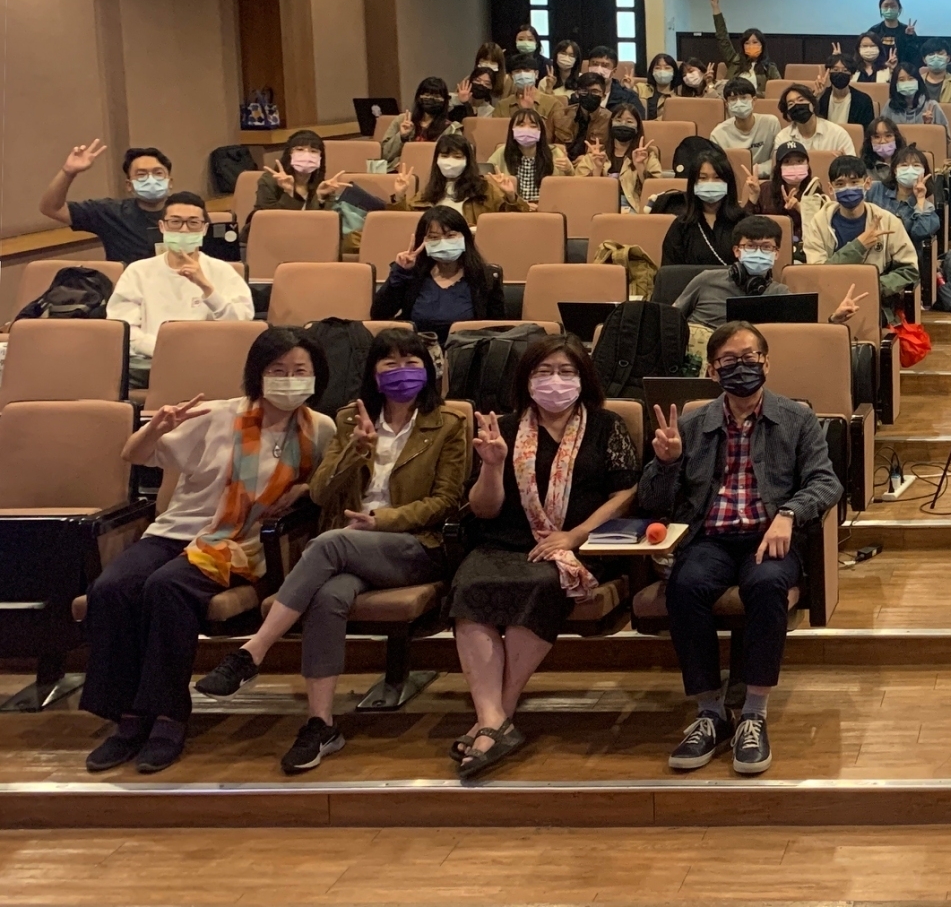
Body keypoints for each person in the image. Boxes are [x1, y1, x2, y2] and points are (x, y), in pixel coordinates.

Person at [189, 328, 464, 771]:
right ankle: (321, 725)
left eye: (411, 362)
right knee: (329, 596)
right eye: (389, 362)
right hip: (349, 550)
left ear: (428, 370)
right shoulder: (350, 420)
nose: (402, 372)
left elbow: (446, 501)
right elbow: (319, 493)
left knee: (331, 542)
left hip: (413, 547)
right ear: (373, 372)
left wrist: (382, 521)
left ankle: (252, 653)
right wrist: (355, 452)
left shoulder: (449, 424)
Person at [80, 328, 336, 774]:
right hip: (174, 532)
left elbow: (330, 484)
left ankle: (166, 717)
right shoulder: (217, 415)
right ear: (257, 374)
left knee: (167, 588)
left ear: (316, 377)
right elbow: (133, 455)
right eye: (278, 371)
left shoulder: (320, 428)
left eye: (300, 372)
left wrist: (301, 489)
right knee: (111, 589)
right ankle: (128, 716)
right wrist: (155, 428)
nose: (289, 379)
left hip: (239, 545)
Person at [635, 321, 842, 775]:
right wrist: (666, 464)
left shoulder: (796, 417)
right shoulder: (690, 424)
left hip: (767, 536)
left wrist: (788, 513)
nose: (742, 368)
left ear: (767, 363)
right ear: (712, 371)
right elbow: (651, 501)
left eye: (751, 358)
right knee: (685, 586)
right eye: (730, 361)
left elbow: (826, 480)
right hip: (710, 538)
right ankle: (709, 713)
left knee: (767, 586)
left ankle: (753, 713)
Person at [448, 336, 638, 778]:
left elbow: (627, 491)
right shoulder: (506, 429)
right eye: (543, 372)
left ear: (583, 379)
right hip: (506, 539)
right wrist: (493, 467)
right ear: (526, 380)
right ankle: (496, 721)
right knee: (471, 584)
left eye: (566, 372)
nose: (555, 381)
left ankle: (492, 719)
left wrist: (575, 535)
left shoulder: (606, 426)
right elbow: (482, 509)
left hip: (578, 545)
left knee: (539, 585)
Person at [107, 193, 254, 383]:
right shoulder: (138, 271)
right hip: (152, 363)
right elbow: (124, 329)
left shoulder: (223, 271)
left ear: (204, 229)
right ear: (162, 227)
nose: (184, 230)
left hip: (209, 363)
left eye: (193, 223)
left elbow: (240, 327)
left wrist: (207, 288)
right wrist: (167, 350)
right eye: (175, 222)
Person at [673, 216, 860, 332]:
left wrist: (834, 320)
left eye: (766, 247)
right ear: (737, 251)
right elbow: (670, 320)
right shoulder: (706, 280)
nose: (758, 252)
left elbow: (803, 339)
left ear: (776, 253)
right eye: (751, 246)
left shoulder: (781, 294)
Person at [372, 206, 507, 345]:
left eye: (450, 236)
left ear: (465, 238)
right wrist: (401, 272)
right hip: (419, 354)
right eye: (434, 237)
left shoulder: (487, 277)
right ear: (424, 242)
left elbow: (497, 330)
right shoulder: (412, 275)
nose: (443, 242)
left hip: (468, 355)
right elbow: (379, 314)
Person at [801, 155, 920, 303]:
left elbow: (909, 269)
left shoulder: (888, 221)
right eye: (840, 184)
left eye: (854, 182)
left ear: (867, 183)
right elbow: (819, 275)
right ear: (831, 189)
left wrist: (873, 286)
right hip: (830, 299)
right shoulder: (818, 224)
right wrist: (859, 246)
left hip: (876, 301)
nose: (848, 188)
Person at [39, 141, 177, 264]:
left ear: (170, 182)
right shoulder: (110, 212)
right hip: (127, 289)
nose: (151, 180)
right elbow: (52, 209)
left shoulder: (189, 212)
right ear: (129, 185)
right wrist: (68, 173)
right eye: (141, 175)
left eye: (158, 173)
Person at [397, 133, 525, 224]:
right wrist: (399, 196)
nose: (450, 162)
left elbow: (513, 222)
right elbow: (403, 223)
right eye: (445, 156)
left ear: (468, 161)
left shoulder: (485, 189)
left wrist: (511, 196)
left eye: (457, 157)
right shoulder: (428, 191)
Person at [661, 148, 749, 267]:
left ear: (728, 182)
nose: (710, 183)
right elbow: (669, 274)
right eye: (702, 178)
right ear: (693, 184)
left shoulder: (744, 222)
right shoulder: (680, 227)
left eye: (717, 177)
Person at [572, 99, 662, 211]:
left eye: (629, 122)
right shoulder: (596, 154)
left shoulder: (647, 156)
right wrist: (597, 170)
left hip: (634, 207)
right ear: (610, 124)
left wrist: (640, 168)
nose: (623, 125)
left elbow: (656, 190)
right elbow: (579, 189)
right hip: (600, 206)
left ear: (638, 127)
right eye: (618, 120)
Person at [486, 106, 570, 207]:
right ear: (512, 130)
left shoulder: (555, 153)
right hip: (514, 207)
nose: (526, 129)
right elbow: (486, 178)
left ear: (540, 131)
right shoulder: (501, 152)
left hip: (548, 208)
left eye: (533, 126)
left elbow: (568, 188)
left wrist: (568, 169)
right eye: (521, 125)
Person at [254, 131, 348, 217]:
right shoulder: (269, 181)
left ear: (320, 158)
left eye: (313, 151)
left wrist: (319, 197)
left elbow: (318, 225)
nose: (306, 155)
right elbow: (271, 222)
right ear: (289, 154)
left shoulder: (323, 186)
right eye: (300, 149)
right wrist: (289, 193)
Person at [868, 144, 941, 251]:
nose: (910, 170)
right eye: (904, 165)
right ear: (894, 170)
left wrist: (920, 200)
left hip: (903, 256)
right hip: (873, 250)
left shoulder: (925, 205)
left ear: (924, 172)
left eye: (916, 166)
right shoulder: (875, 189)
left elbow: (921, 233)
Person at [710, 0, 780, 94]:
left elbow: (777, 92)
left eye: (755, 42)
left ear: (762, 45)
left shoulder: (769, 68)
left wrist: (750, 94)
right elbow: (722, 37)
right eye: (747, 43)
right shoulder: (734, 61)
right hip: (732, 102)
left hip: (758, 105)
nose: (751, 45)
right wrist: (715, 7)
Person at [380, 78, 462, 163]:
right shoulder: (402, 120)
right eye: (426, 95)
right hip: (399, 171)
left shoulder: (452, 129)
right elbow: (384, 155)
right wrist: (401, 137)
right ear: (419, 97)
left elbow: (455, 160)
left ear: (445, 101)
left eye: (437, 96)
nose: (431, 99)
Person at [709, 77, 778, 177]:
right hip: (733, 182)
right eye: (733, 99)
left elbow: (777, 159)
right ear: (726, 104)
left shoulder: (771, 123)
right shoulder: (718, 134)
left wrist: (753, 171)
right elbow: (718, 167)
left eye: (743, 98)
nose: (739, 103)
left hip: (764, 181)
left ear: (754, 100)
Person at [772, 84, 858, 162]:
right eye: (791, 104)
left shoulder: (838, 134)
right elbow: (778, 172)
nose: (797, 105)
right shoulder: (783, 137)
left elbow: (854, 169)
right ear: (788, 114)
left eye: (801, 100)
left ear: (812, 104)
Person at [548, 71, 614, 152]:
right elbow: (545, 145)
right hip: (561, 161)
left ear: (603, 96)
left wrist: (586, 159)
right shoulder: (559, 115)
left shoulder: (610, 120)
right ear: (577, 93)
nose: (589, 95)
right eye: (584, 91)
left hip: (593, 162)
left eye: (595, 91)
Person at [818, 52, 875, 130]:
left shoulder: (863, 100)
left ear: (851, 75)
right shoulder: (822, 96)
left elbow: (867, 131)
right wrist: (816, 97)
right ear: (828, 73)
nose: (840, 73)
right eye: (835, 69)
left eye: (845, 70)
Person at [864, 0, 920, 66]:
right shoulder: (874, 31)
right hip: (879, 70)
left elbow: (914, 56)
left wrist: (909, 37)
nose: (889, 9)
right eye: (886, 6)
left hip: (902, 71)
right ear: (880, 9)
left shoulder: (907, 30)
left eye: (893, 6)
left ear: (899, 9)